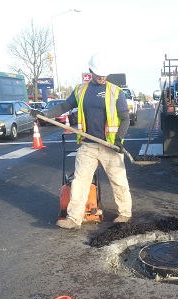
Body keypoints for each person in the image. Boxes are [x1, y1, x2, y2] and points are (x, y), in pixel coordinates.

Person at [30, 52, 132, 229]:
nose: (101, 76)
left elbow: (125, 118)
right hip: (88, 145)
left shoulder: (116, 92)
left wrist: (119, 139)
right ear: (90, 70)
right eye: (98, 73)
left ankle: (124, 213)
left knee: (119, 181)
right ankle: (74, 218)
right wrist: (44, 114)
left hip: (110, 146)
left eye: (104, 73)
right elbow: (63, 106)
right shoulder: (80, 90)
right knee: (79, 182)